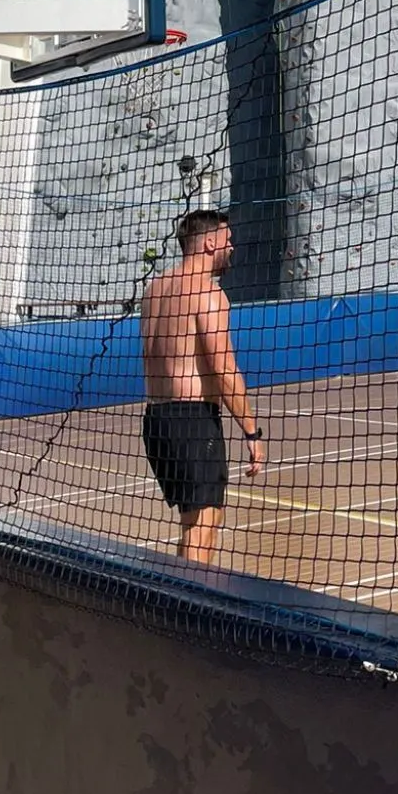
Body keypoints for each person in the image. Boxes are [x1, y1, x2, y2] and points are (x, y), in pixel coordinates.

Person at [139, 210, 264, 565]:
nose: (232, 246)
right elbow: (223, 368)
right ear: (210, 243)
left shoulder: (156, 288)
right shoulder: (208, 294)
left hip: (157, 419)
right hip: (192, 420)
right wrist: (252, 432)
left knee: (196, 521)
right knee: (203, 525)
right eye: (228, 240)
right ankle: (190, 609)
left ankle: (185, 593)